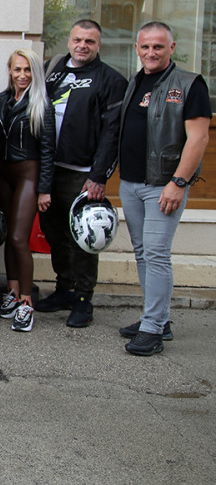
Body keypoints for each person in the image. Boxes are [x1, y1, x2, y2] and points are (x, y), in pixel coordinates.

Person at [117, 21, 210, 356]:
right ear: (137, 49)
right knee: (143, 252)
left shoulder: (189, 84)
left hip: (163, 185)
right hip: (131, 183)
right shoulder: (136, 81)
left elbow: (199, 138)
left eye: (158, 46)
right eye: (145, 47)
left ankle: (153, 329)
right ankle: (157, 319)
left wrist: (178, 182)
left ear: (171, 48)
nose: (151, 52)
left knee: (156, 254)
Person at [35, 20, 127, 328]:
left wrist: (99, 176)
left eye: (89, 41)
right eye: (77, 39)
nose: (82, 45)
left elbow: (112, 133)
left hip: (84, 175)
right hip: (50, 171)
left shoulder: (111, 80)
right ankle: (64, 289)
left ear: (99, 45)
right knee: (55, 234)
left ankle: (84, 300)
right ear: (69, 41)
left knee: (84, 238)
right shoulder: (52, 70)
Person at [0, 49, 55, 332]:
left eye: (28, 70)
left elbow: (48, 150)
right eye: (17, 69)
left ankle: (27, 303)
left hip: (28, 174)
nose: (22, 75)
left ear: (35, 72)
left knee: (19, 238)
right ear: (9, 70)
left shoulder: (41, 104)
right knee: (9, 235)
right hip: (3, 174)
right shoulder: (3, 100)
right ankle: (13, 293)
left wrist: (44, 189)